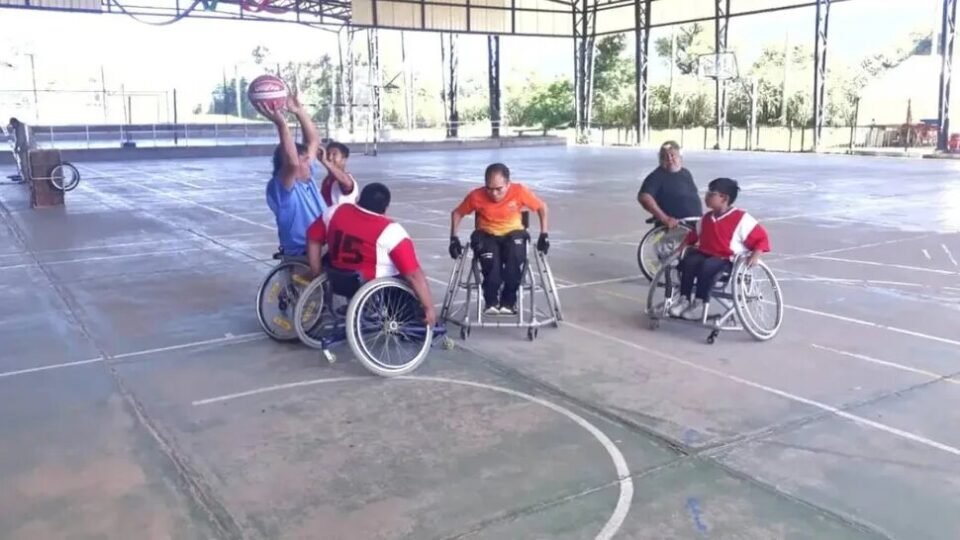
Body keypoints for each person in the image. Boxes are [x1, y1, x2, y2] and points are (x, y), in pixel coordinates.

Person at [305, 182, 437, 326]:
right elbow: (413, 275)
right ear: (385, 208)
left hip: (335, 278)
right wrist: (429, 307)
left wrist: (316, 272)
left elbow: (313, 238)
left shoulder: (334, 212)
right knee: (410, 277)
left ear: (359, 199)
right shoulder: (392, 231)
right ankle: (409, 322)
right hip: (368, 286)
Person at [449, 163, 549, 315]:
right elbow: (457, 213)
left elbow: (542, 207)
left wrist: (544, 234)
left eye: (499, 189)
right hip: (487, 235)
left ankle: (508, 302)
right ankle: (491, 301)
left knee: (513, 264)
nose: (494, 193)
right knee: (492, 268)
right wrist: (453, 238)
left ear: (508, 184)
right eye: (489, 188)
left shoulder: (520, 191)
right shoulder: (476, 196)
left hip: (513, 233)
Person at [669, 177, 770, 320]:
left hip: (726, 259)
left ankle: (698, 301)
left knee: (707, 266)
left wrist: (755, 255)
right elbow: (692, 237)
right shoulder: (706, 218)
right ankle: (684, 299)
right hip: (705, 253)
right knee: (689, 261)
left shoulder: (741, 219)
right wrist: (679, 250)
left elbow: (762, 238)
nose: (706, 197)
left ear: (724, 198)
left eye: (711, 194)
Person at [258, 94, 324, 257]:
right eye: (304, 159)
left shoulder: (306, 179)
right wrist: (281, 124)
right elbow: (292, 163)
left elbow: (314, 142)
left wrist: (299, 112)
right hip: (303, 251)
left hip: (323, 244)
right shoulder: (282, 188)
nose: (310, 161)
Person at [637, 140, 702, 229]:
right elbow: (644, 197)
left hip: (694, 223)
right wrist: (664, 218)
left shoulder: (686, 173)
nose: (669, 159)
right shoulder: (656, 176)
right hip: (674, 227)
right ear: (660, 159)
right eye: (664, 156)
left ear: (680, 157)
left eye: (672, 155)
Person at [316, 141, 358, 210]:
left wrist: (325, 161)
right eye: (328, 154)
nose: (330, 157)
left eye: (334, 154)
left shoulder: (347, 179)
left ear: (344, 160)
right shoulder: (327, 180)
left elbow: (346, 182)